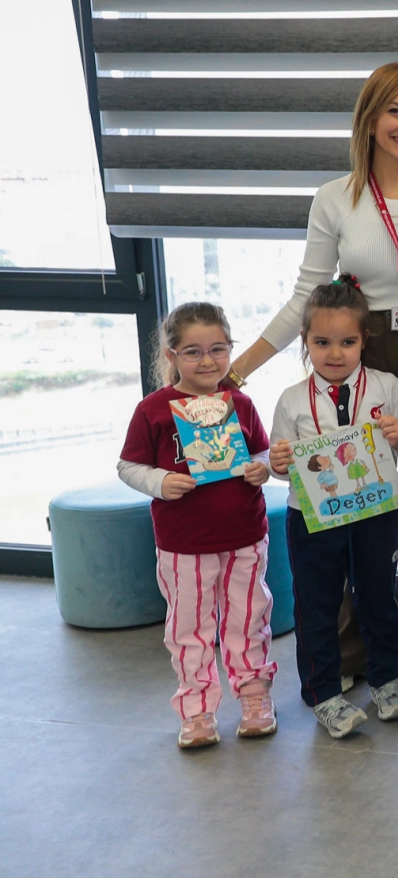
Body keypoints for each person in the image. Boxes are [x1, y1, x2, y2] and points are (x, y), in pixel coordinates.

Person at [230, 61, 398, 670]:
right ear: (370, 119)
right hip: (358, 356)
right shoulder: (333, 200)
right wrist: (236, 371)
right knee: (344, 500)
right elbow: (306, 300)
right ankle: (350, 655)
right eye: (396, 110)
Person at [117, 302, 277, 749]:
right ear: (170, 356)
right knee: (189, 627)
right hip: (184, 543)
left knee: (249, 620)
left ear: (230, 349)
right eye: (192, 352)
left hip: (245, 535)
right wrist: (160, 481)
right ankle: (197, 709)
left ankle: (254, 696)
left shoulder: (240, 405)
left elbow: (262, 452)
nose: (208, 361)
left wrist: (261, 469)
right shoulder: (154, 410)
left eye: (218, 349)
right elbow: (128, 465)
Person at [268, 274, 398, 738]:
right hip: (312, 519)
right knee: (318, 605)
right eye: (323, 342)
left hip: (374, 514)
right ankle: (324, 693)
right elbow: (279, 464)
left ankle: (387, 681)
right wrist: (277, 461)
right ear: (305, 341)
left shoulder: (388, 387)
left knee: (378, 598)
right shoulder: (292, 400)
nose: (335, 353)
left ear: (364, 340)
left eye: (347, 342)